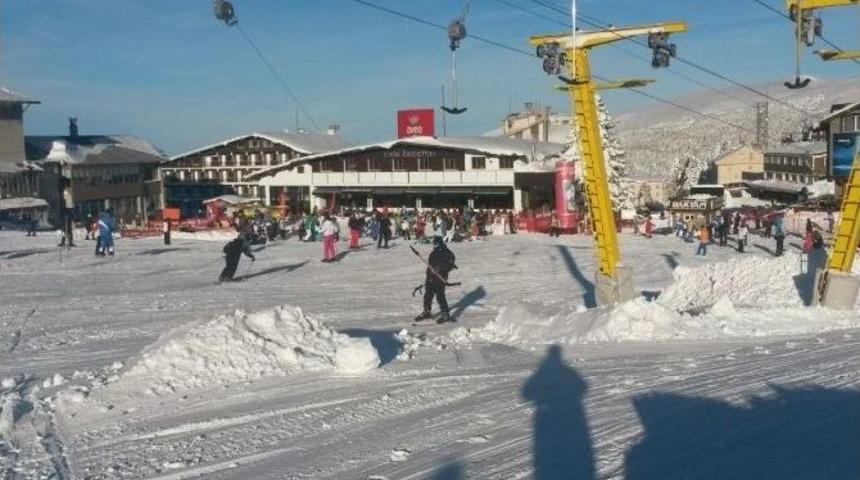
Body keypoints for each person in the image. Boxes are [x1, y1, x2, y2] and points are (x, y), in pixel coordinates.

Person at [415, 236, 457, 323]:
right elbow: (430, 265)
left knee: (440, 296)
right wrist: (429, 274)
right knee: (428, 296)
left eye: (435, 244)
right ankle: (427, 311)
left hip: (440, 278)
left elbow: (450, 265)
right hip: (431, 278)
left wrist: (439, 268)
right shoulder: (433, 252)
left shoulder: (447, 253)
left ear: (440, 243)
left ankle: (445, 314)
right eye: (433, 243)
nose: (434, 245)